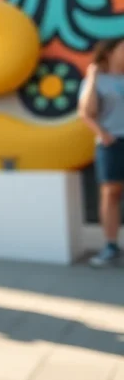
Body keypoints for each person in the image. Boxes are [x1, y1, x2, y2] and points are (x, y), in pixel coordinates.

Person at [78, 39, 124, 267]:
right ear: (109, 53)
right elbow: (87, 112)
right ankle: (110, 246)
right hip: (111, 142)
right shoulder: (98, 79)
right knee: (110, 193)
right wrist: (93, 77)